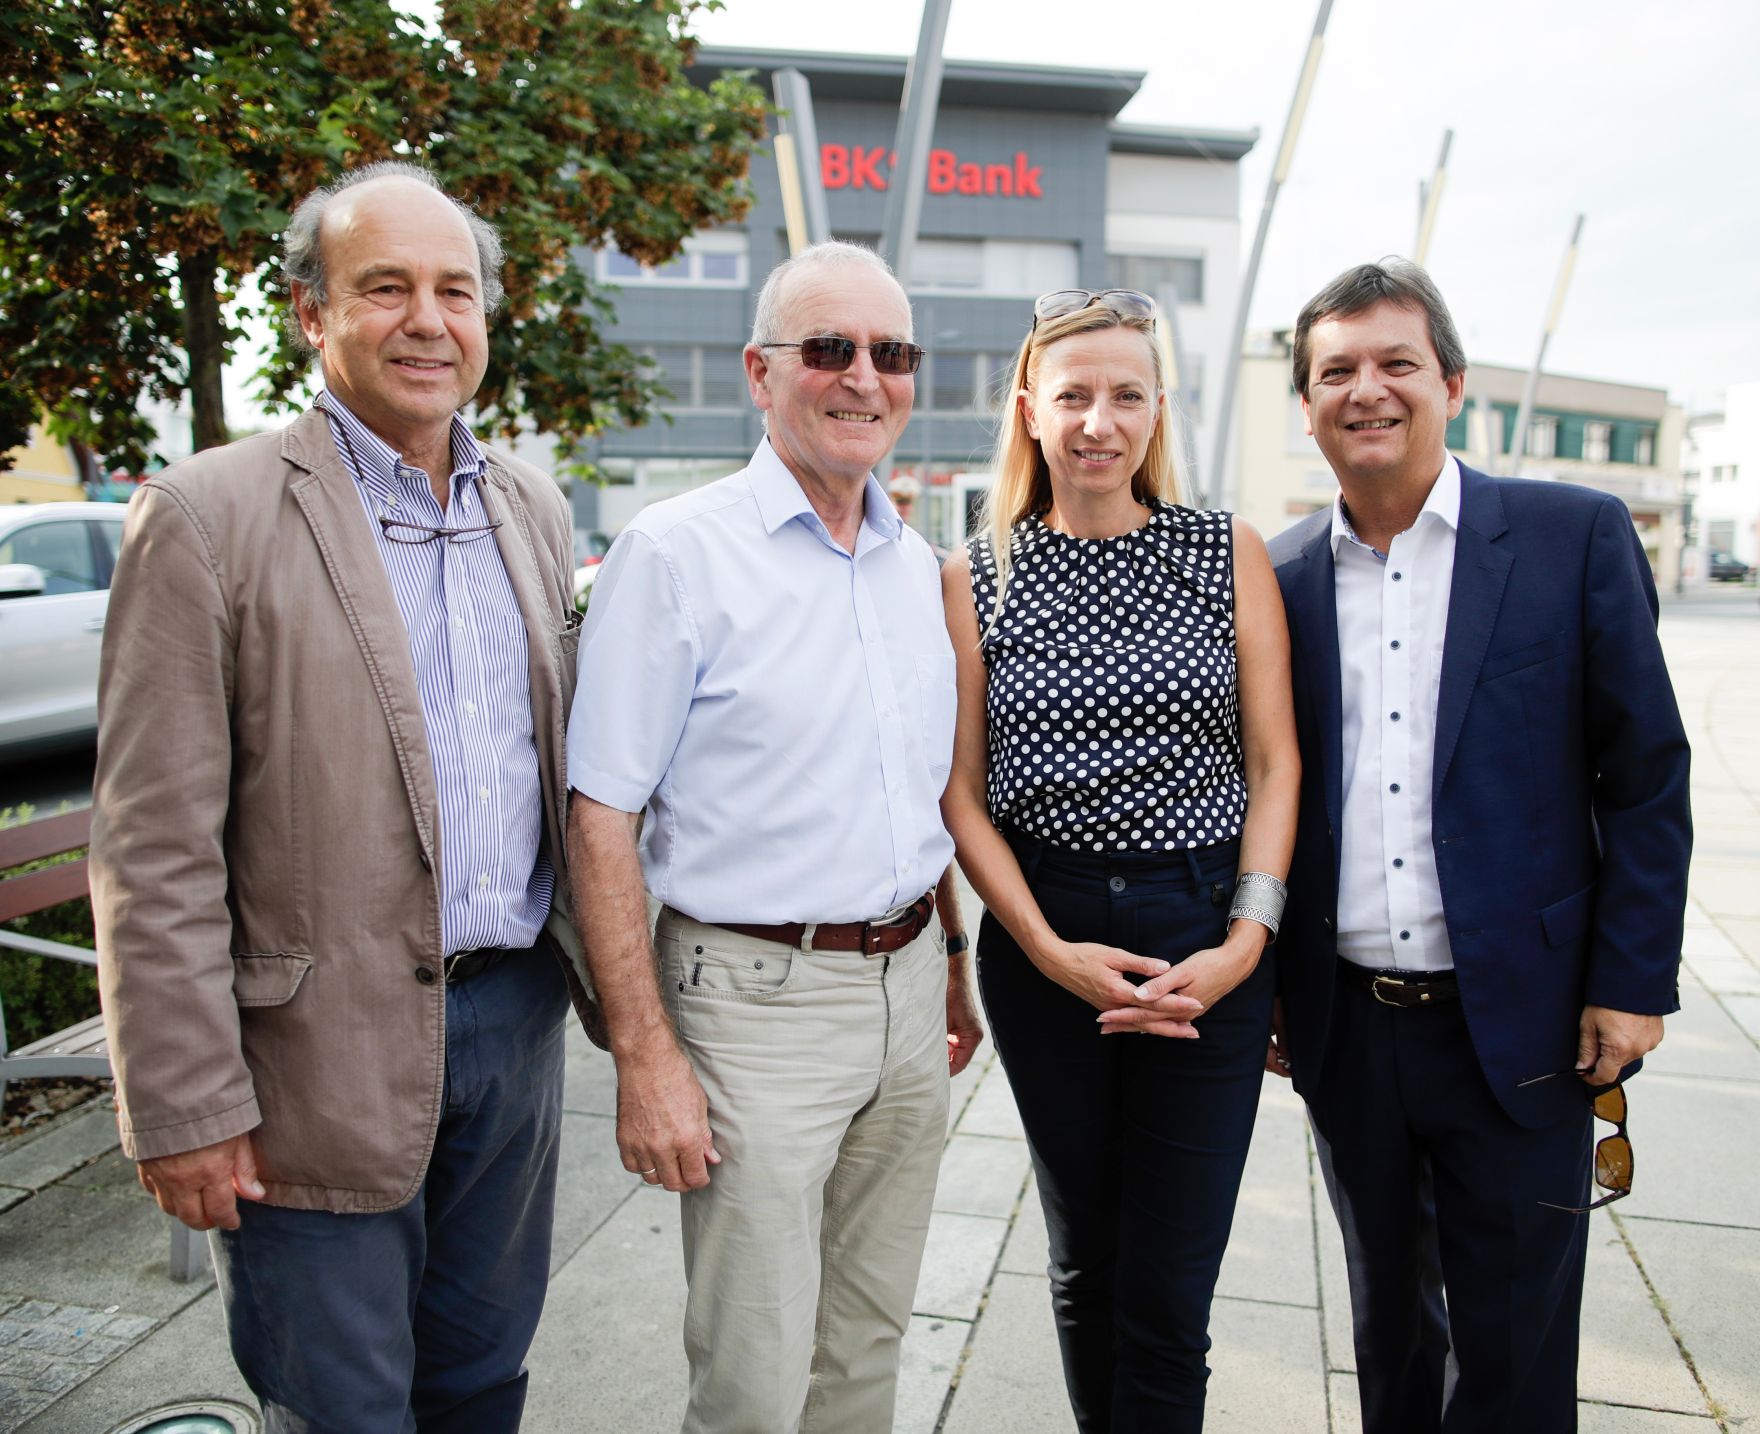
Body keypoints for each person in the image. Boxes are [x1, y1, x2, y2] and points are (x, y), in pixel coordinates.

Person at [91, 161, 598, 1433]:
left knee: (482, 1388)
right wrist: (184, 1106)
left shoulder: (526, 504)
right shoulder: (206, 516)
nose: (429, 319)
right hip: (311, 1059)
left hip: (512, 1031)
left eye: (455, 290)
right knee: (342, 1412)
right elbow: (152, 849)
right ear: (313, 316)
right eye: (386, 288)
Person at [1266, 259, 1692, 1433]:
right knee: (1385, 1327)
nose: (1366, 390)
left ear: (1450, 384)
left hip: (1524, 1015)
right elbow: (1265, 789)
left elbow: (1644, 773)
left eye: (1395, 363)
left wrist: (1628, 979)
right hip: (1346, 1023)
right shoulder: (1280, 572)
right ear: (1304, 405)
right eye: (1334, 371)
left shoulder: (1570, 536)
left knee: (1513, 1340)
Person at [566, 239, 984, 1434]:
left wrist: (951, 964)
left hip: (909, 992)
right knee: (752, 1369)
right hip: (753, 998)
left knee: (866, 1341)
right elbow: (600, 815)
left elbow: (911, 794)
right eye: (829, 350)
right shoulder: (675, 554)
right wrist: (643, 1056)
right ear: (761, 373)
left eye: (890, 353)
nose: (864, 377)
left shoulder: (915, 567)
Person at [939, 288, 1301, 1432]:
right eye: (1073, 395)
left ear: (1157, 413)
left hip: (1204, 925)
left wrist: (1246, 941)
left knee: (1170, 1285)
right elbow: (958, 790)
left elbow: (1273, 759)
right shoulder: (974, 572)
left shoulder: (1221, 548)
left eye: (1126, 395)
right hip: (1043, 932)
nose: (1099, 420)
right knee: (1083, 1256)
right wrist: (1044, 950)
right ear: (1028, 412)